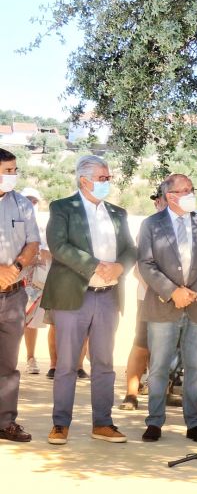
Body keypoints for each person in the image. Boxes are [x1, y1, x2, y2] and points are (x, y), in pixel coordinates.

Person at [43, 155, 136, 445]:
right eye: (102, 178)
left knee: (104, 363)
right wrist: (95, 266)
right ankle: (60, 424)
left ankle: (103, 423)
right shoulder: (62, 208)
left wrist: (119, 267)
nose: (107, 182)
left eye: (108, 178)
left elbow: (130, 249)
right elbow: (58, 245)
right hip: (73, 296)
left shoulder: (118, 213)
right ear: (84, 180)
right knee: (67, 364)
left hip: (108, 297)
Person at [137, 173, 197, 443]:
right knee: (159, 367)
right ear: (170, 196)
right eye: (185, 190)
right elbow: (145, 264)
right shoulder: (151, 224)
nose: (191, 193)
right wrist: (173, 292)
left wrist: (196, 291)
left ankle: (195, 423)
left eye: (191, 188)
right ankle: (155, 421)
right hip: (164, 306)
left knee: (195, 368)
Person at [0, 151, 41, 442]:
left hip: (13, 296)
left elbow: (33, 243)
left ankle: (5, 422)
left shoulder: (22, 204)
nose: (13, 175)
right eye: (7, 170)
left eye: (15, 170)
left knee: (8, 365)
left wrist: (14, 268)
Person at [119, 184, 168, 410]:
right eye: (161, 199)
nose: (161, 203)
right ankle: (131, 394)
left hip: (177, 299)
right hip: (149, 297)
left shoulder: (191, 225)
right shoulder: (148, 226)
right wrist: (159, 291)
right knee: (142, 345)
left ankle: (161, 393)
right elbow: (139, 268)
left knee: (166, 348)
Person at [20, 187, 50, 376]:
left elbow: (48, 253)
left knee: (30, 322)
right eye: (28, 200)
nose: (31, 204)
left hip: (36, 283)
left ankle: (30, 358)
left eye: (34, 201)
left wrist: (39, 257)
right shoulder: (11, 221)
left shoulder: (44, 226)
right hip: (12, 280)